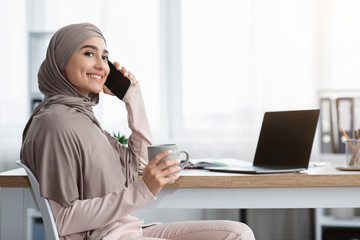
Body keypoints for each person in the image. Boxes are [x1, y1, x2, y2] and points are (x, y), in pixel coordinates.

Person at [20, 23, 255, 240]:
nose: (102, 65)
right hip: (106, 237)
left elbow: (140, 164)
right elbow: (63, 220)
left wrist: (133, 97)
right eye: (89, 53)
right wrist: (142, 190)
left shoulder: (82, 117)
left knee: (238, 233)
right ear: (61, 61)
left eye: (105, 56)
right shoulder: (55, 123)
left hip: (129, 230)